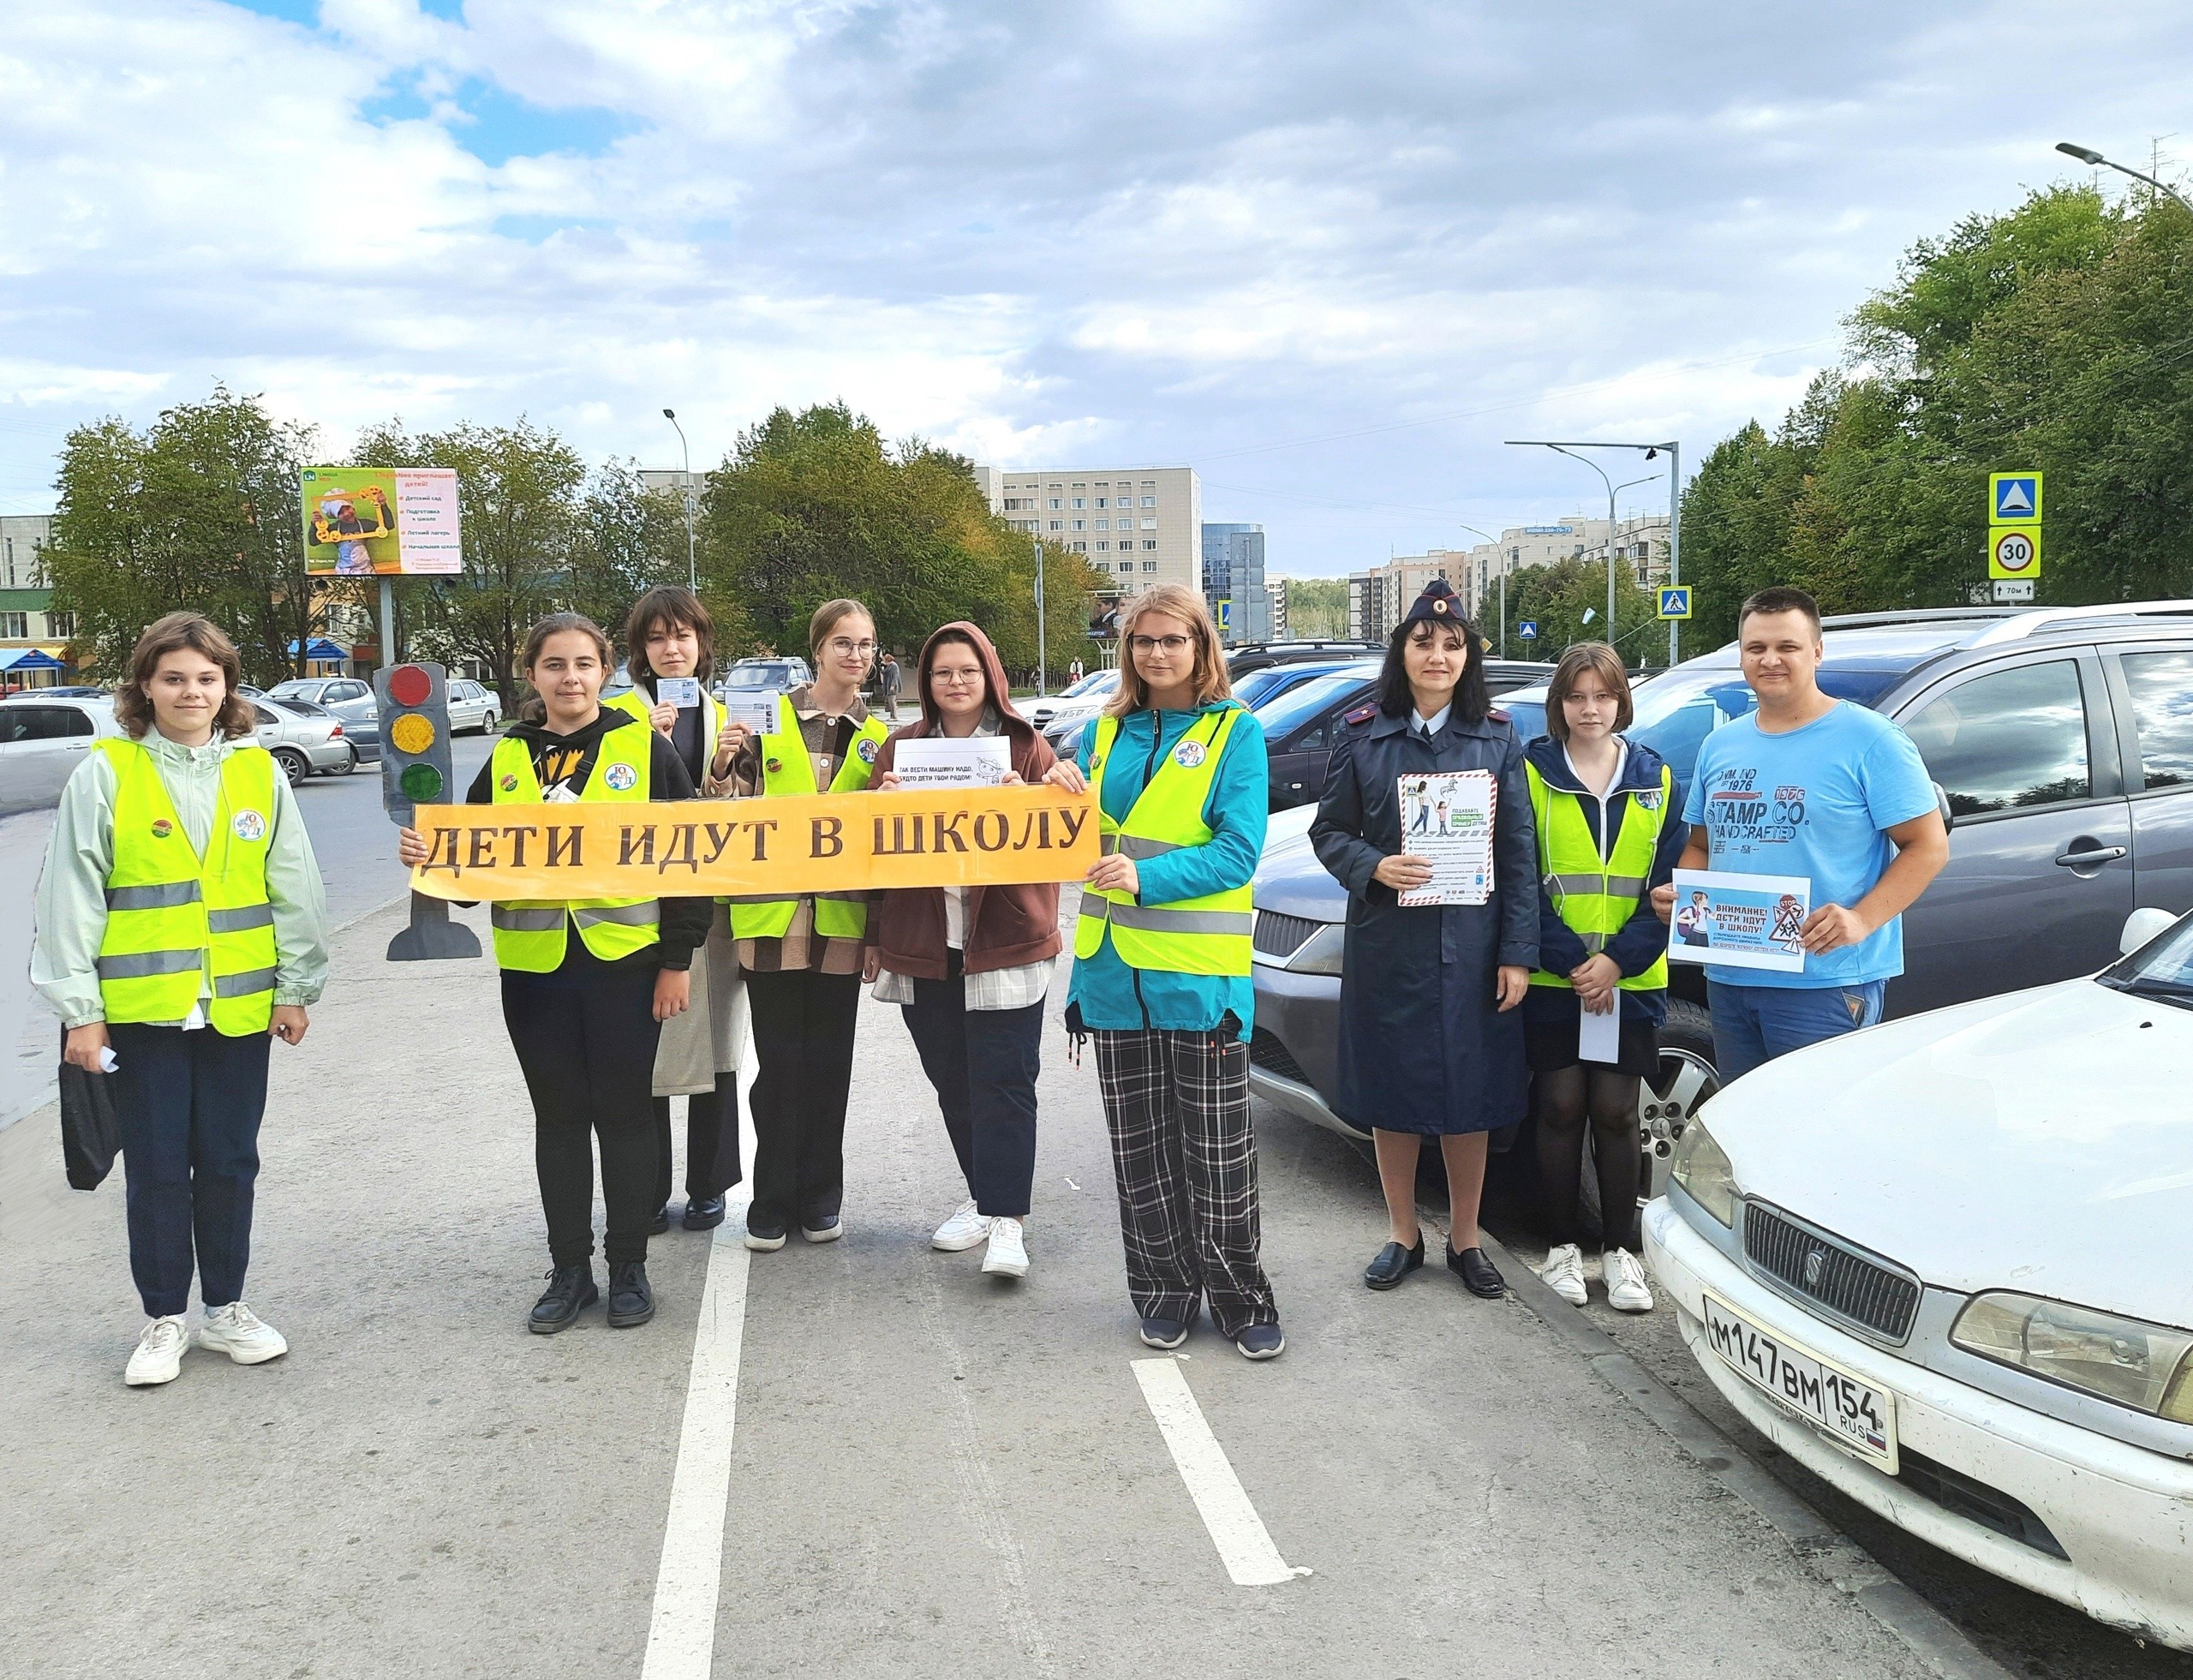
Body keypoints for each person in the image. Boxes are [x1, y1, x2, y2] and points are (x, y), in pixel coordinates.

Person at [33, 613, 329, 1386]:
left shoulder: (257, 772)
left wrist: (296, 988)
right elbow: (70, 898)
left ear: (228, 687)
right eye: (173, 677)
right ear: (145, 686)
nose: (191, 691)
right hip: (142, 1010)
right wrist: (81, 1011)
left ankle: (226, 1310)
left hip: (239, 1002)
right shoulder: (106, 772)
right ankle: (163, 1318)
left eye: (206, 677)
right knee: (159, 1166)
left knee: (231, 1160)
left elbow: (293, 884)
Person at [398, 613, 709, 1333]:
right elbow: (470, 872)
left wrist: (677, 961)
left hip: (627, 965)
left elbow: (692, 861)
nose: (569, 678)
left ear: (605, 671)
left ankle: (628, 1262)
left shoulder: (646, 748)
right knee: (560, 1120)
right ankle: (570, 1269)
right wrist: (429, 857)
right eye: (553, 665)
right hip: (535, 971)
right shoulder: (507, 758)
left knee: (627, 1116)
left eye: (583, 664)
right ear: (532, 675)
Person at [1056, 583, 1282, 1360]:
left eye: (1171, 641)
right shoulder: (1105, 732)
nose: (1156, 653)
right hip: (1113, 976)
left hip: (1199, 980)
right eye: (1143, 641)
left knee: (1219, 1156)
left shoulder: (1234, 734)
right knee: (1140, 1154)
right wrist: (1058, 793)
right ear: (1128, 650)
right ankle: (1161, 1292)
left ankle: (1243, 1299)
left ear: (1200, 647)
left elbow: (1237, 850)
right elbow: (1077, 830)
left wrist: (1147, 879)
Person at [1310, 579, 1536, 1300]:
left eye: (1451, 644)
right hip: (1392, 941)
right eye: (1423, 642)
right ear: (1401, 649)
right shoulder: (1362, 733)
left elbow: (1519, 851)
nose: (1437, 654)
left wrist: (1517, 952)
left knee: (1471, 1091)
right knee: (1394, 1088)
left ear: (1467, 656)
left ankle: (1465, 1236)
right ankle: (1403, 1232)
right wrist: (1372, 864)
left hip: (1473, 944)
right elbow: (1327, 831)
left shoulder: (1496, 735)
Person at [1652, 587, 1948, 1080]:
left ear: (1816, 651)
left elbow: (1928, 845)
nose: (1770, 660)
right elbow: (1702, 846)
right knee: (1746, 1130)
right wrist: (1687, 897)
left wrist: (1860, 919)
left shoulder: (1870, 739)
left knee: (1816, 1133)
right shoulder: (1721, 745)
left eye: (1786, 647)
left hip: (1824, 981)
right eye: (1756, 648)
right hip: (1729, 977)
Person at [863, 622, 1060, 1280]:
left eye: (968, 671)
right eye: (943, 672)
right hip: (925, 943)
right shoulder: (900, 748)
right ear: (926, 680)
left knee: (1005, 1081)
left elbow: (1064, 834)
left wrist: (1033, 801)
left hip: (1004, 940)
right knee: (953, 1081)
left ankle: (1009, 1222)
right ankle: (983, 1197)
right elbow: (868, 854)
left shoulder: (1027, 747)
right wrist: (879, 808)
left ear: (991, 676)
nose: (955, 683)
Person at [714, 599, 888, 1252]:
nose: (856, 655)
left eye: (866, 644)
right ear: (817, 649)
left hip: (843, 919)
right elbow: (725, 817)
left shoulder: (881, 737)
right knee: (781, 1064)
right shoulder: (766, 719)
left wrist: (877, 932)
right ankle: (771, 1198)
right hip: (772, 917)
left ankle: (821, 1196)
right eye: (843, 642)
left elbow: (890, 846)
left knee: (829, 1066)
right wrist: (725, 761)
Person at [1520, 643, 1684, 1315]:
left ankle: (1621, 1253)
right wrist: (1576, 965)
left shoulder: (1658, 778)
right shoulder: (1530, 771)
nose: (1590, 708)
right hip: (1557, 978)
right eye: (1576, 696)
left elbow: (1670, 889)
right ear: (1559, 703)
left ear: (1622, 700)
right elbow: (1519, 882)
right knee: (1559, 1108)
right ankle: (1561, 1247)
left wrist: (1617, 962)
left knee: (1618, 1113)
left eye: (1603, 695)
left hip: (1631, 975)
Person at [607, 586, 748, 1236]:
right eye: (658, 638)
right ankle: (648, 1186)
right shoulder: (613, 719)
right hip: (639, 905)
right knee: (649, 1045)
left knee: (717, 1038)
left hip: (713, 905)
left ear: (702, 644)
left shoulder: (729, 717)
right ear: (640, 650)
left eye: (683, 635)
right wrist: (640, 745)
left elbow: (743, 811)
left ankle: (709, 1183)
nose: (672, 648)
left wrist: (722, 764)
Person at [877, 651, 902, 720]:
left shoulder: (894, 666)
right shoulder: (889, 666)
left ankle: (894, 716)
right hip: (888, 686)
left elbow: (895, 676)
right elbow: (884, 672)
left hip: (892, 686)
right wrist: (882, 667)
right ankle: (892, 716)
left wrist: (893, 685)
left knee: (892, 701)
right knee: (889, 701)